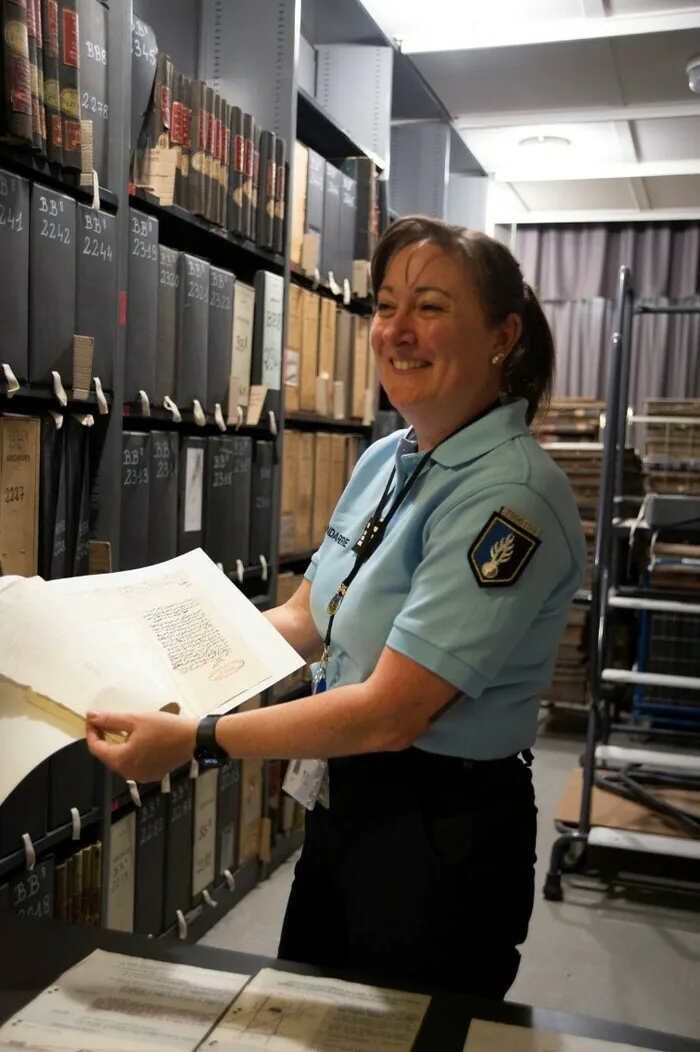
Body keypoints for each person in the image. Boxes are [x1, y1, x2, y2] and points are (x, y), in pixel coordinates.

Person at [87, 216, 586, 1000]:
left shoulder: (509, 498)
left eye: (430, 306)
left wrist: (197, 737)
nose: (398, 330)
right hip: (346, 799)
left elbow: (392, 713)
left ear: (503, 336)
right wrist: (146, 656)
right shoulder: (390, 457)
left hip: (441, 830)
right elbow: (305, 616)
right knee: (314, 1017)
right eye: (386, 306)